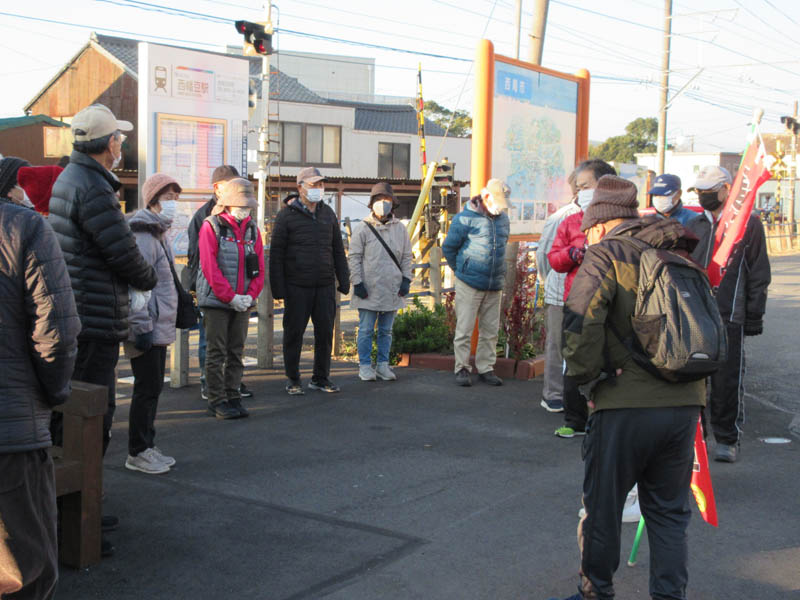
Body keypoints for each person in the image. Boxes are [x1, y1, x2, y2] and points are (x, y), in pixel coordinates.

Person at [551, 175, 706, 600]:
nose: (587, 237)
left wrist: (588, 381)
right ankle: (669, 595)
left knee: (603, 508)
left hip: (623, 405)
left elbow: (580, 323)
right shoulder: (677, 250)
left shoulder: (606, 254)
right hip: (684, 402)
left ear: (601, 224)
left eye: (588, 230)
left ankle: (596, 592)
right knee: (669, 513)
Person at [48, 104, 157, 556]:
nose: (122, 145)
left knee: (77, 417)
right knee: (90, 418)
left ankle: (82, 505)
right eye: (119, 138)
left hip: (81, 314)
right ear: (109, 143)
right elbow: (122, 250)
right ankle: (74, 520)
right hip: (93, 318)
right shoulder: (92, 186)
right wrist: (148, 278)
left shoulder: (73, 178)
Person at [0, 200, 80, 599]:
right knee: (22, 572)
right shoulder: (21, 226)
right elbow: (56, 335)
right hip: (10, 433)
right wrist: (51, 394)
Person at [685, 165, 770, 463]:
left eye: (709, 191)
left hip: (729, 314)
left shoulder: (748, 225)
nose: (703, 196)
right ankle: (695, 437)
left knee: (727, 381)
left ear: (726, 190)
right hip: (695, 314)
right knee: (693, 379)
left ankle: (726, 437)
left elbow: (759, 272)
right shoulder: (694, 224)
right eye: (699, 191)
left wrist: (754, 314)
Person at [547, 159, 616, 427]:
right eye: (578, 187)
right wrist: (573, 254)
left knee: (610, 359)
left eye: (585, 186)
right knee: (575, 359)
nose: (580, 192)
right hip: (577, 302)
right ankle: (575, 419)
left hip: (614, 302)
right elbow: (554, 259)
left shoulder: (622, 222)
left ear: (605, 185)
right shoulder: (570, 221)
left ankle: (606, 417)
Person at [269, 167, 350, 395]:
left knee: (324, 333)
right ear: (300, 187)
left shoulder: (328, 214)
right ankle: (293, 379)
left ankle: (321, 377)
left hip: (324, 284)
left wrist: (344, 279)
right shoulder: (286, 216)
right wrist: (278, 288)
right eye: (313, 185)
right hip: (297, 285)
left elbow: (337, 249)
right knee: (293, 333)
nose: (318, 189)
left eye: (321, 185)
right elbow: (276, 254)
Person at [123, 173, 181, 473]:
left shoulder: (157, 232)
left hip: (157, 323)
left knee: (152, 388)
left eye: (176, 198)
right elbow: (137, 286)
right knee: (146, 389)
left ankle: (146, 444)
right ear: (153, 200)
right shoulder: (143, 235)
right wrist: (141, 326)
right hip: (147, 325)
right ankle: (138, 450)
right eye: (168, 197)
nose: (174, 203)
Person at [197, 177, 265, 419]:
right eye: (240, 204)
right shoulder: (211, 226)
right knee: (216, 352)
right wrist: (230, 296)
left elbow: (259, 268)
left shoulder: (253, 229)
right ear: (227, 203)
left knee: (237, 350)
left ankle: (233, 394)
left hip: (243, 300)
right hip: (216, 301)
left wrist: (249, 296)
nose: (244, 209)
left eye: (247, 205)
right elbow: (209, 266)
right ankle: (216, 400)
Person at [186, 165, 254, 401]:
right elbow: (200, 258)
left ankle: (232, 386)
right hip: (212, 291)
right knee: (211, 345)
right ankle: (210, 386)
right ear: (217, 187)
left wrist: (248, 293)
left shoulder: (247, 221)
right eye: (230, 184)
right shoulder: (206, 218)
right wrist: (206, 288)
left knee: (235, 347)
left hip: (239, 291)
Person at [442, 178, 511, 387]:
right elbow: (449, 248)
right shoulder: (464, 219)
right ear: (486, 196)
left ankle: (486, 368)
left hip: (494, 283)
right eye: (498, 202)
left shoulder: (503, 219)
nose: (500, 208)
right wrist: (461, 270)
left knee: (490, 331)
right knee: (464, 329)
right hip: (469, 283)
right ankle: (461, 368)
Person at [348, 182, 413, 381]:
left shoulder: (400, 229)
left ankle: (383, 365)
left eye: (386, 199)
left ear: (393, 203)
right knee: (366, 329)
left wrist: (406, 279)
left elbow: (407, 257)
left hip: (392, 287)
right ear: (372, 203)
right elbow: (354, 257)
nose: (383, 203)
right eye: (378, 199)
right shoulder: (363, 228)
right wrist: (357, 282)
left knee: (386, 331)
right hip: (369, 287)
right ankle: (365, 366)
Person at [536, 171, 580, 416]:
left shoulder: (602, 216)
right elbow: (544, 254)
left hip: (591, 293)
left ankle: (578, 396)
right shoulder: (562, 217)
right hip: (560, 291)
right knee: (557, 344)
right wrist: (550, 280)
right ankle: (553, 394)